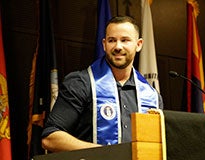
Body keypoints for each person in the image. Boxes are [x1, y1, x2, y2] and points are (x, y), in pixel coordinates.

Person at [41, 16, 164, 152]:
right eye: (112, 40)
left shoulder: (151, 96)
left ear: (139, 44)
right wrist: (106, 154)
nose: (118, 46)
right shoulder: (81, 83)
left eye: (125, 40)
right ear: (104, 45)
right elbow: (50, 138)